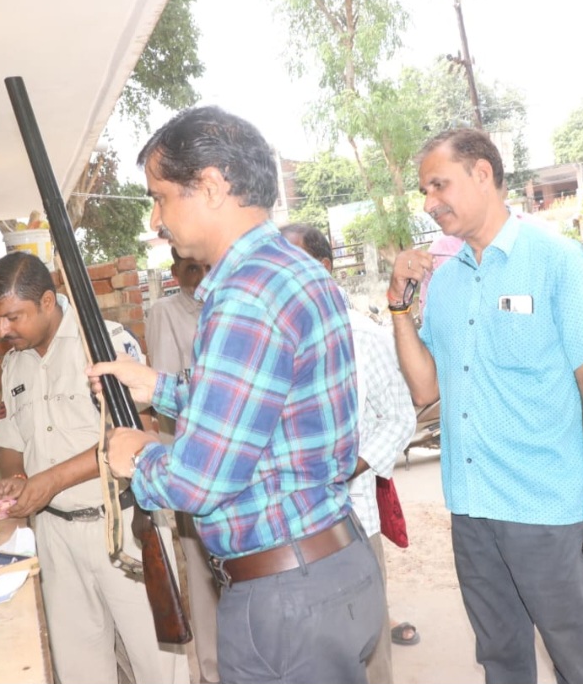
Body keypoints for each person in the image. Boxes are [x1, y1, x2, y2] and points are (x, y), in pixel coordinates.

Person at [88, 106, 386, 684]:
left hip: (284, 600)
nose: (155, 219)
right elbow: (263, 409)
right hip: (331, 568)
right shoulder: (294, 270)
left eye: (160, 197)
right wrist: (157, 387)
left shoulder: (244, 296)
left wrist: (135, 457)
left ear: (211, 186)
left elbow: (197, 481)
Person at [388, 127, 583, 684]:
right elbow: (426, 389)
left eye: (438, 185)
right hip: (471, 509)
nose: (429, 203)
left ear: (482, 174)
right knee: (500, 659)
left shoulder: (556, 260)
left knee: (578, 661)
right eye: (425, 191)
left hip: (545, 509)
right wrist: (399, 307)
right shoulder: (444, 283)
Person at [0, 252, 186, 684]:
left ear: (48, 302)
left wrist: (51, 481)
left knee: (158, 666)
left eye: (13, 317)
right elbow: (11, 444)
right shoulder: (15, 363)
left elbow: (137, 435)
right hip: (56, 536)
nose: (2, 330)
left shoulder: (104, 344)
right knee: (80, 670)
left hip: (123, 527)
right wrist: (17, 480)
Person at [280, 222, 417, 684]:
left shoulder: (361, 335)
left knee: (369, 650)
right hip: (293, 528)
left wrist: (346, 468)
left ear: (322, 268)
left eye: (293, 262)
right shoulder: (276, 337)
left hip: (352, 520)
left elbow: (399, 418)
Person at [144, 247, 219, 684]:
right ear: (174, 271)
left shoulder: (228, 303)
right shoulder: (165, 313)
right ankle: (211, 673)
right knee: (204, 573)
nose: (201, 276)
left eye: (206, 266)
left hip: (234, 456)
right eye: (191, 268)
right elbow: (166, 390)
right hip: (192, 457)